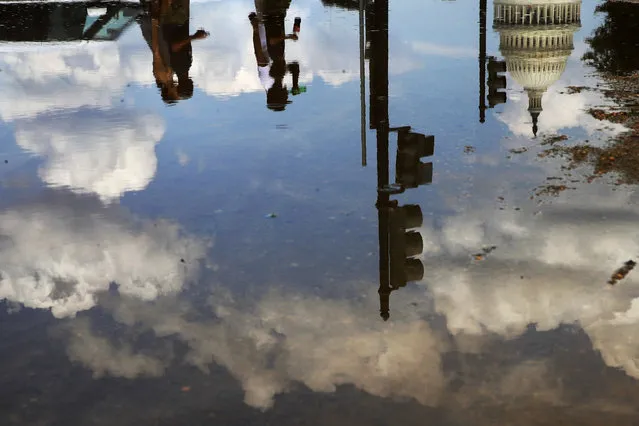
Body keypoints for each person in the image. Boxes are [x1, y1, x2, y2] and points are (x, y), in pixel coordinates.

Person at [139, 0, 208, 103]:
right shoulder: (175, 71)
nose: (175, 91)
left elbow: (164, 50)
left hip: (173, 23)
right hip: (172, 24)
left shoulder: (174, 70)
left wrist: (195, 37)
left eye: (174, 94)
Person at [249, 0, 301, 111]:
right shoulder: (277, 79)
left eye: (285, 98)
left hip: (266, 15)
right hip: (275, 18)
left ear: (279, 95)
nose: (287, 95)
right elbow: (294, 66)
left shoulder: (267, 79)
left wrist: (255, 27)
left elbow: (259, 53)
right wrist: (295, 83)